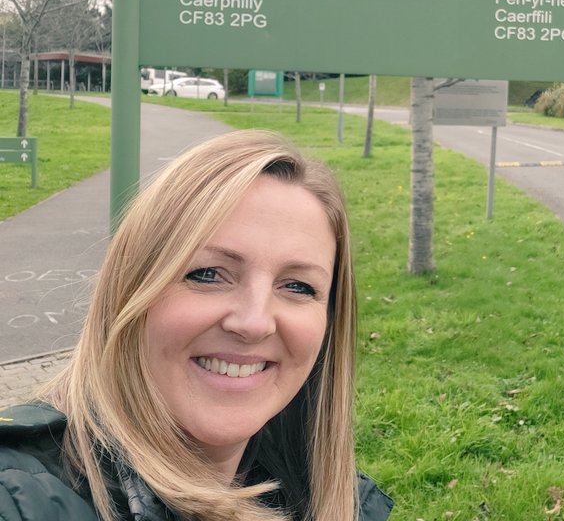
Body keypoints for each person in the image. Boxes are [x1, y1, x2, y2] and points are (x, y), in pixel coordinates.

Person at [0, 130, 393, 521]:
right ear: (129, 288)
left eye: (297, 286)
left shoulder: (337, 499)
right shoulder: (18, 498)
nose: (254, 323)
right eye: (207, 274)